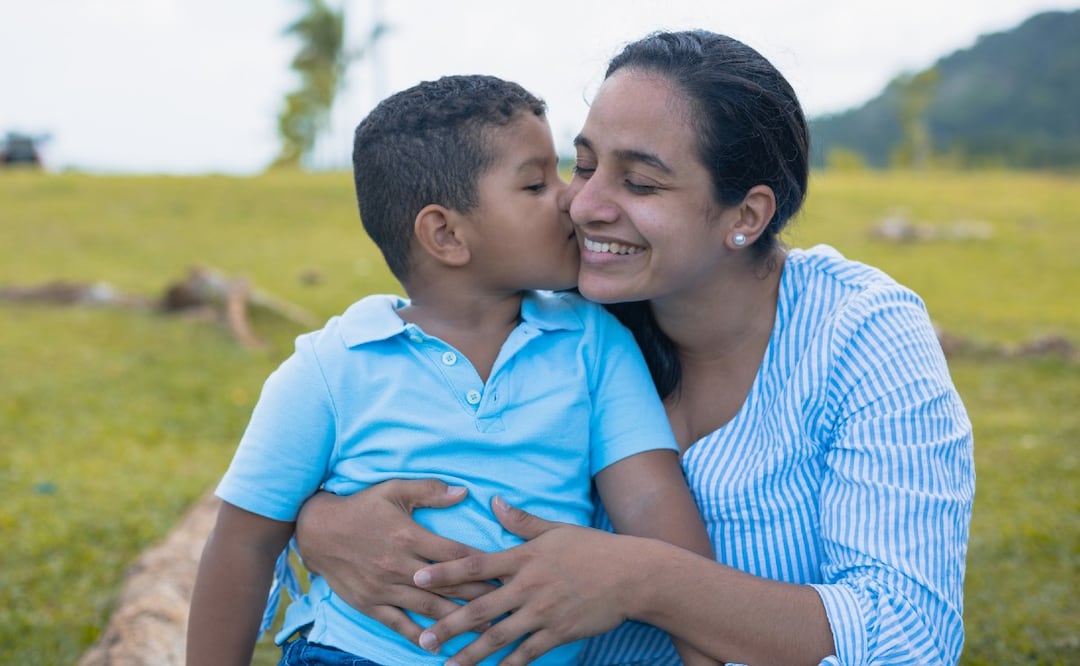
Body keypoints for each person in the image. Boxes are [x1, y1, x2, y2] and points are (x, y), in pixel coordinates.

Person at [292, 30, 976, 666]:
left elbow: (909, 634)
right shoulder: (551, 322)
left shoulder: (860, 334)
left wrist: (645, 580)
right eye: (582, 165)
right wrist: (318, 521)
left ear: (747, 215)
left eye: (639, 182)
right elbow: (360, 419)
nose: (584, 204)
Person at [186, 74, 716, 666]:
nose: (571, 198)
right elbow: (243, 542)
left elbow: (650, 503)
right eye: (537, 183)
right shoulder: (332, 366)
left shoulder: (593, 344)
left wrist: (703, 640)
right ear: (445, 234)